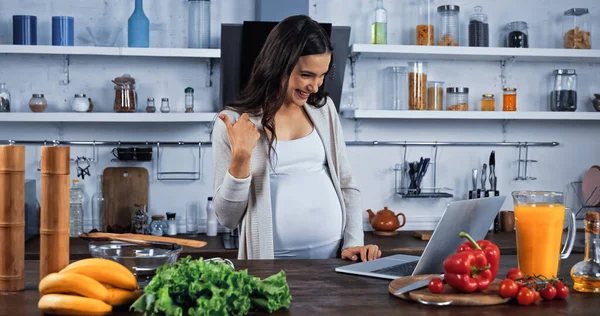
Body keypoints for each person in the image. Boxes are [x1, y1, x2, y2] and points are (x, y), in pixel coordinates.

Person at [212, 15, 381, 262]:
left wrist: (354, 242)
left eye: (322, 75)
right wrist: (240, 159)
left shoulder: (324, 111)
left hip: (333, 261)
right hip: (270, 262)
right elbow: (227, 218)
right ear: (278, 65)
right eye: (306, 75)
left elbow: (347, 184)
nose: (315, 86)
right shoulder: (234, 122)